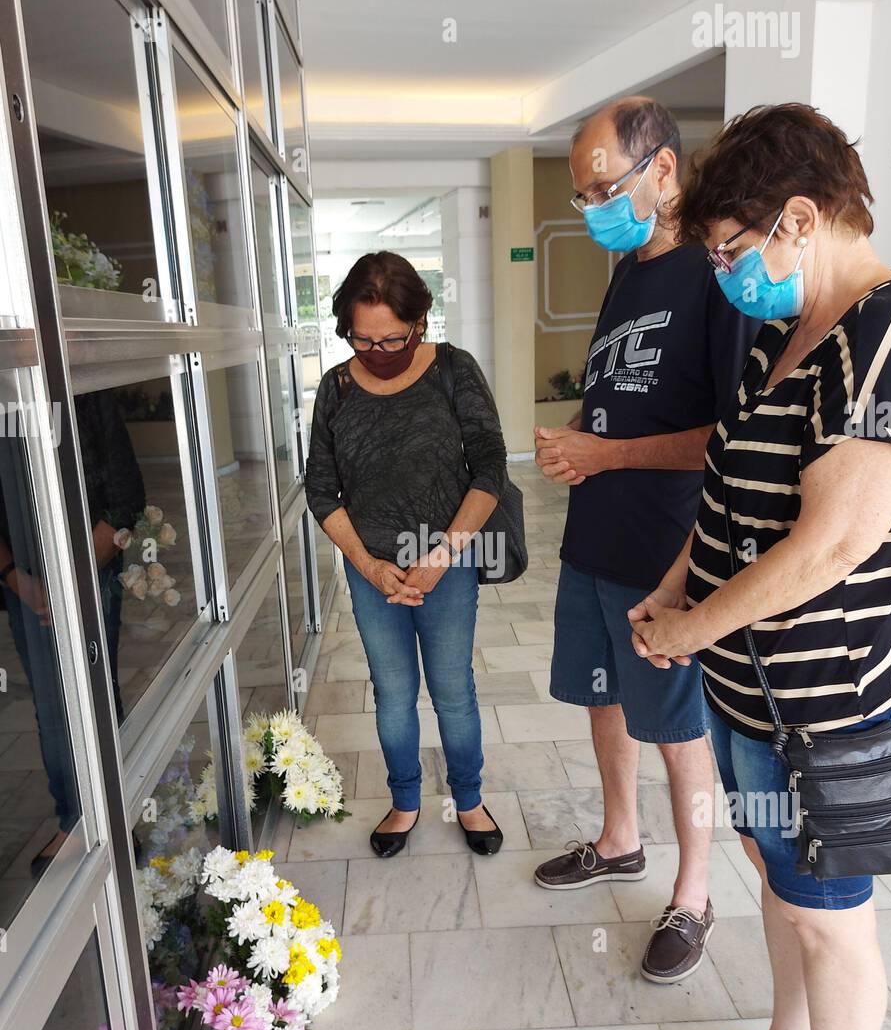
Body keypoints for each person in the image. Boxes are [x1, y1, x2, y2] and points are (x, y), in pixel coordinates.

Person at [630, 101, 891, 1030]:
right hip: (750, 691)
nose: (726, 274)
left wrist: (693, 623)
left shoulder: (883, 339)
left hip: (826, 700)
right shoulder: (783, 338)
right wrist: (668, 595)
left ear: (799, 218)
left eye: (732, 250)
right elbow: (724, 502)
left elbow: (827, 547)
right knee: (778, 875)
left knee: (828, 906)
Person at [533, 96, 758, 983]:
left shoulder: (717, 274)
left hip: (669, 555)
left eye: (601, 187)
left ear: (662, 169)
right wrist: (582, 453)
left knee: (676, 730)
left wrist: (609, 450)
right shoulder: (629, 269)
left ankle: (692, 894)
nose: (590, 208)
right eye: (581, 195)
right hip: (594, 536)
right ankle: (619, 840)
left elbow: (731, 433)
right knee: (600, 698)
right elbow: (625, 396)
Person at [305, 252, 508, 857]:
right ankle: (405, 801)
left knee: (451, 687)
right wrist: (368, 565)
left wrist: (442, 554)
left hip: (445, 561)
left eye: (392, 338)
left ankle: (468, 800)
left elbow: (490, 465)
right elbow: (320, 488)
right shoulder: (336, 388)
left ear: (420, 321)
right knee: (392, 691)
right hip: (372, 571)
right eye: (361, 339)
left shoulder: (453, 369)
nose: (377, 351)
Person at [0, 388, 144, 876]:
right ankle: (74, 819)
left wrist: (72, 581)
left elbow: (126, 496)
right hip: (22, 581)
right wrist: (23, 584)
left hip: (91, 566)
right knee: (49, 695)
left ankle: (116, 815)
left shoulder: (81, 388)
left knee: (95, 688)